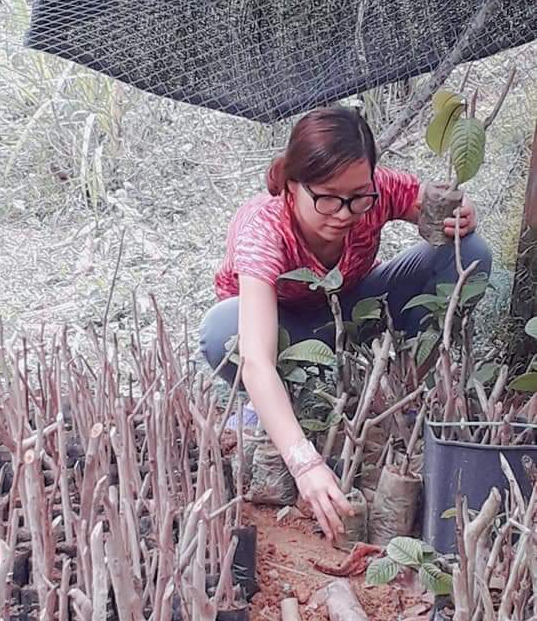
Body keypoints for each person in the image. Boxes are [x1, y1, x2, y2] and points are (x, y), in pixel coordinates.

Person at [200, 106, 492, 541]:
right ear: (292, 185)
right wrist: (305, 464)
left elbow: (430, 203)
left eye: (358, 196)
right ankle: (294, 409)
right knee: (224, 332)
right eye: (327, 198)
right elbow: (257, 359)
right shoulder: (263, 229)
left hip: (354, 309)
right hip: (289, 331)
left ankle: (399, 393)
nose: (344, 212)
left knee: (469, 253)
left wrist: (459, 212)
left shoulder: (373, 193)